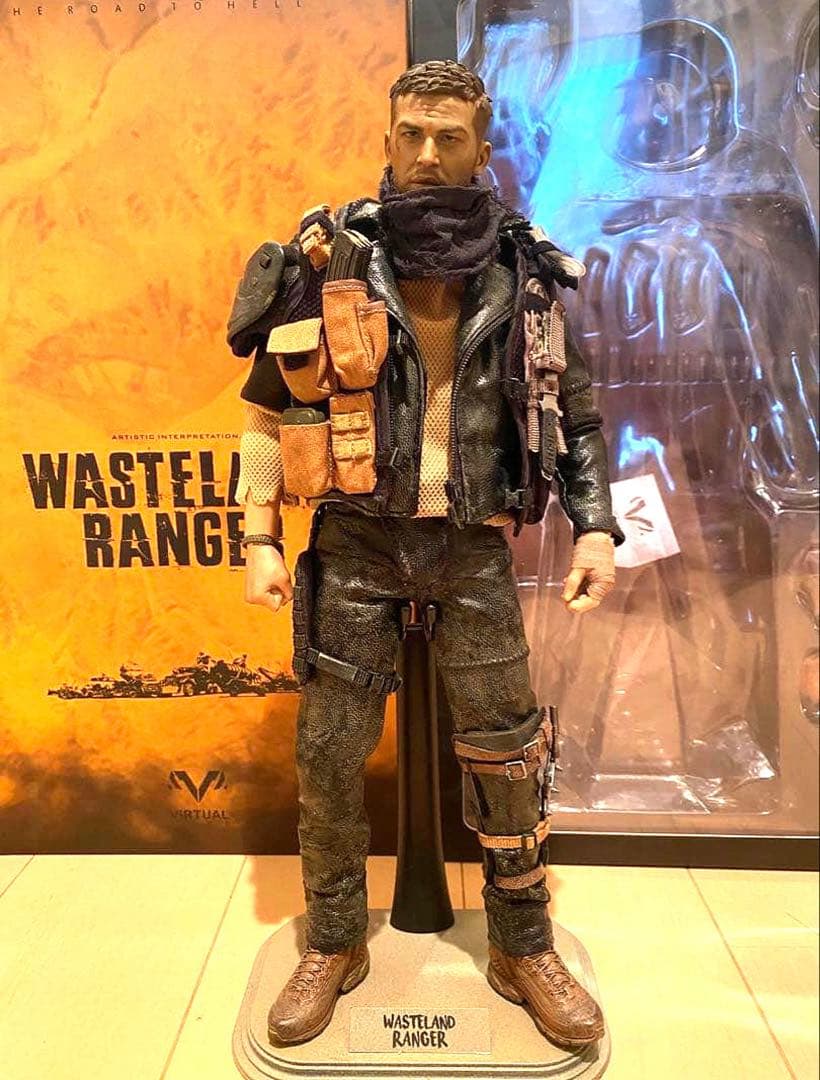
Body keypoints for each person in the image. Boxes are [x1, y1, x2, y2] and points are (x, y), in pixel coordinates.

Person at [228, 60, 624, 1052]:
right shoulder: (331, 261)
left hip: (472, 543)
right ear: (388, 140)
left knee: (507, 751)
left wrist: (597, 526)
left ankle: (522, 945)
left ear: (481, 149)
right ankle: (331, 941)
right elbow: (267, 410)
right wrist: (258, 534)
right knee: (329, 752)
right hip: (357, 541)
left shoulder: (523, 274)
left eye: (449, 137)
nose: (428, 154)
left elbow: (574, 414)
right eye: (411, 134)